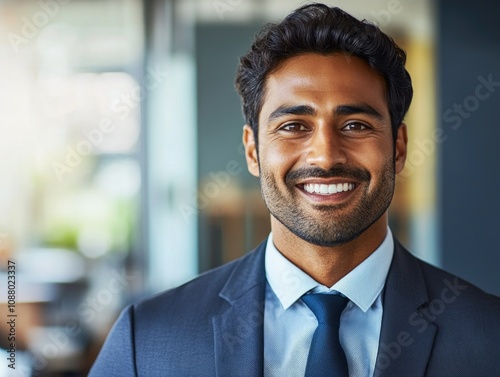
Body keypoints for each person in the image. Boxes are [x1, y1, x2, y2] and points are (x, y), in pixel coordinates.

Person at [89, 3, 500, 376]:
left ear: (398, 148)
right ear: (253, 151)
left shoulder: (489, 339)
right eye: (293, 126)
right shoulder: (146, 342)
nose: (324, 156)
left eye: (355, 125)